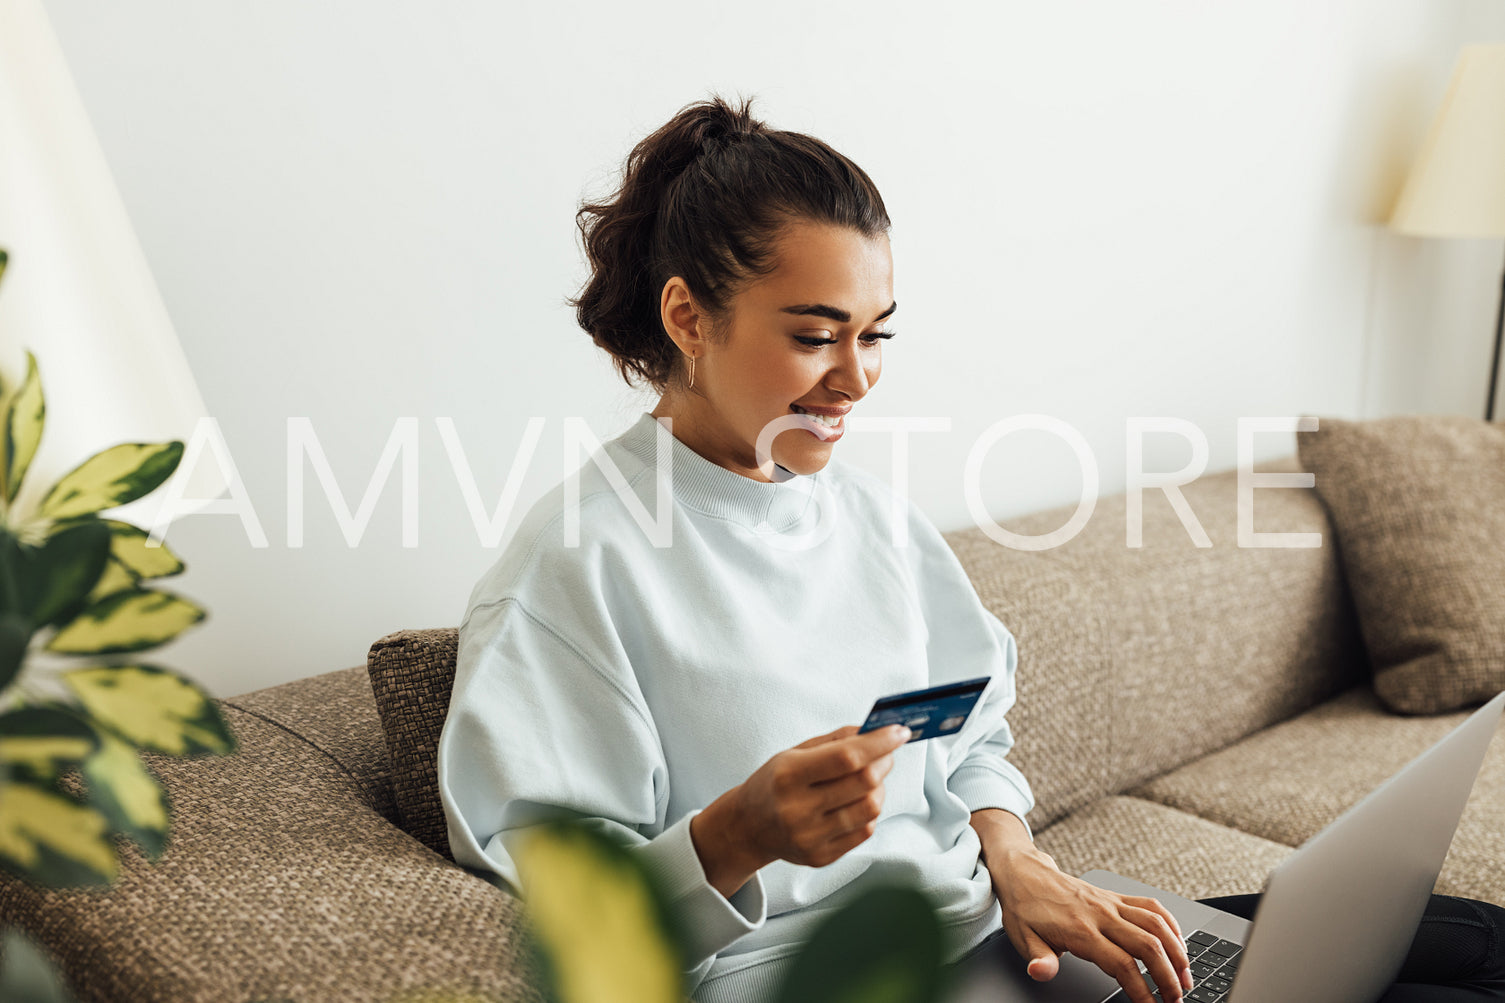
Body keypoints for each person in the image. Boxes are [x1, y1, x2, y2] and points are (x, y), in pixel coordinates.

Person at [435, 93, 1505, 1003]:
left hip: (1000, 936)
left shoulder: (867, 521)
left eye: (875, 333)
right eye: (814, 335)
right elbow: (562, 927)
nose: (855, 379)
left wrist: (1018, 858)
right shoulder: (574, 574)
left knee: (1459, 941)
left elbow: (970, 726)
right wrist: (734, 834)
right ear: (686, 317)